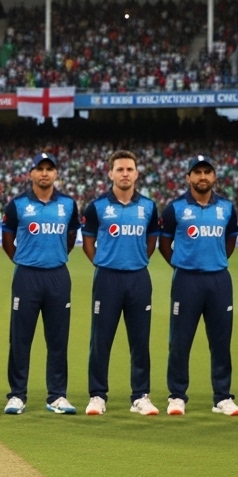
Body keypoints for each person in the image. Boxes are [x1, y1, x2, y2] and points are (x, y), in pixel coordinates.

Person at [157, 155, 238, 416]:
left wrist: (213, 260)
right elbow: (164, 244)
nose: (202, 177)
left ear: (214, 177)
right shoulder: (175, 208)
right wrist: (183, 264)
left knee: (220, 340)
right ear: (188, 177)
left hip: (218, 280)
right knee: (180, 340)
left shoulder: (227, 208)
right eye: (197, 172)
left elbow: (230, 240)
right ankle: (177, 395)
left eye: (207, 172)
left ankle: (222, 397)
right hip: (186, 280)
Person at [0, 153, 80, 415]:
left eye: (49, 169)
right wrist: (25, 260)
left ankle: (57, 395)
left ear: (56, 174)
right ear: (31, 173)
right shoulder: (18, 204)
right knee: (20, 338)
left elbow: (71, 236)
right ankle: (17, 395)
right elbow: (8, 239)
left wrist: (55, 257)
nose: (45, 173)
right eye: (40, 169)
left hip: (57, 275)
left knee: (58, 339)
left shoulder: (68, 204)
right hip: (27, 276)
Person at [81, 150, 161, 416]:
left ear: (136, 174)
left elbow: (152, 241)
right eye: (120, 169)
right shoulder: (97, 206)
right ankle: (97, 395)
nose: (125, 174)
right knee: (100, 339)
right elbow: (88, 242)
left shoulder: (148, 206)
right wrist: (104, 262)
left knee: (140, 340)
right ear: (111, 173)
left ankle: (140, 395)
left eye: (129, 169)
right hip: (107, 278)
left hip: (138, 277)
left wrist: (136, 260)